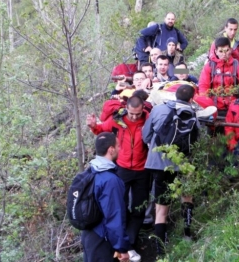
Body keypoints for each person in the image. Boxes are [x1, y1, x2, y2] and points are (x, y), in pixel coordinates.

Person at [87, 96, 150, 262]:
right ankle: (123, 246)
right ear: (126, 109)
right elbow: (102, 130)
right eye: (131, 113)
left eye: (138, 113)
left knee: (139, 208)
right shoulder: (118, 121)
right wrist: (94, 127)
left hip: (142, 169)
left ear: (143, 109)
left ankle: (130, 243)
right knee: (119, 207)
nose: (135, 117)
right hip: (122, 168)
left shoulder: (148, 119)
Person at [142, 85, 200, 256]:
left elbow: (145, 135)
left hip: (160, 164)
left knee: (161, 208)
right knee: (186, 197)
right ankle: (187, 233)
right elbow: (196, 142)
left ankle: (161, 250)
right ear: (191, 99)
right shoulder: (193, 115)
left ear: (174, 95)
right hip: (184, 165)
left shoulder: (159, 109)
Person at [81, 132, 130, 262]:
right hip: (102, 240)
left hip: (88, 235)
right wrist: (122, 248)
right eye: (118, 145)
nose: (120, 148)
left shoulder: (90, 171)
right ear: (111, 149)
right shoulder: (110, 180)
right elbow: (114, 216)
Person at [196, 37, 239, 116]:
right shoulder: (209, 66)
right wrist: (208, 106)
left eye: (227, 50)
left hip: (234, 106)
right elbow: (203, 87)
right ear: (216, 51)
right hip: (213, 107)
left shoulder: (238, 66)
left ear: (230, 50)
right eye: (221, 51)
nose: (224, 54)